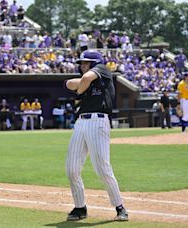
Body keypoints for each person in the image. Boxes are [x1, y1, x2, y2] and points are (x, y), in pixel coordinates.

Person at [64, 49, 128, 221]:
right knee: (72, 169)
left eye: (85, 62)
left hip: (98, 121)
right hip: (81, 123)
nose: (82, 65)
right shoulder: (90, 81)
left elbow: (82, 81)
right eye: (81, 63)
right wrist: (82, 85)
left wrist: (81, 89)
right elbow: (69, 83)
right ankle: (80, 207)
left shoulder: (103, 70)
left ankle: (120, 207)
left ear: (94, 63)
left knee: (102, 168)